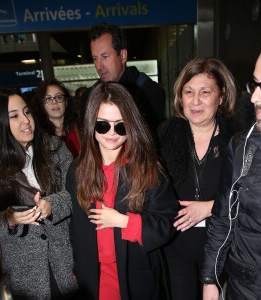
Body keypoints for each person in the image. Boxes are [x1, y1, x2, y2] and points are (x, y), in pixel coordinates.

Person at [202, 19, 261, 300]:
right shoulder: (244, 146)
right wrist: (210, 283)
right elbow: (222, 222)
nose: (255, 96)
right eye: (256, 83)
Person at [66, 82, 178, 300]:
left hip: (135, 278)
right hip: (93, 278)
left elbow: (167, 221)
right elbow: (74, 229)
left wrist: (125, 222)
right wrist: (77, 269)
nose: (111, 133)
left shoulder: (147, 169)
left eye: (120, 126)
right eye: (102, 125)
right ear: (91, 124)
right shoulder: (78, 170)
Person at [157, 57, 236, 299]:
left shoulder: (238, 138)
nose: (196, 100)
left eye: (205, 92)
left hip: (223, 245)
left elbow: (252, 193)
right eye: (189, 92)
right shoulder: (166, 134)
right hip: (176, 245)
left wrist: (210, 207)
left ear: (221, 96)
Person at [0, 88, 77, 299]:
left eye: (26, 112)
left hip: (65, 260)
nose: (25, 120)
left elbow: (78, 192)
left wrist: (52, 204)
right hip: (22, 271)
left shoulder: (54, 147)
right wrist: (9, 219)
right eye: (14, 116)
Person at [79, 22, 166, 133]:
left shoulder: (150, 93)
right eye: (95, 58)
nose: (99, 66)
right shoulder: (88, 98)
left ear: (123, 56)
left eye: (105, 57)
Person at [35, 78, 81, 158]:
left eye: (59, 97)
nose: (54, 102)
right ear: (42, 105)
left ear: (66, 102)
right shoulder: (39, 136)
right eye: (48, 99)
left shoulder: (80, 128)